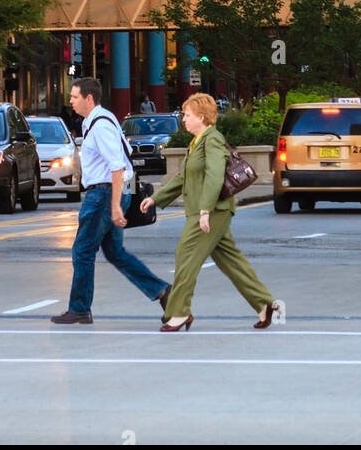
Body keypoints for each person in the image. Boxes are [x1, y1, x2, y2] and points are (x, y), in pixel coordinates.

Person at [141, 92, 281, 332]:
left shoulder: (212, 140)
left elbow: (215, 176)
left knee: (186, 258)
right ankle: (264, 303)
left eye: (187, 115)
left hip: (210, 211)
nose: (183, 119)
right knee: (231, 261)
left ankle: (179, 312)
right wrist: (155, 198)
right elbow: (184, 177)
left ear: (202, 117)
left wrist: (205, 210)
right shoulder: (197, 142)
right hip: (206, 210)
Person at [51, 77, 171, 325]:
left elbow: (116, 167)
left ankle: (80, 308)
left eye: (74, 97)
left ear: (89, 98)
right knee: (115, 252)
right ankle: (162, 291)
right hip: (109, 192)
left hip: (104, 194)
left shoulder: (101, 126)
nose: (70, 101)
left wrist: (115, 205)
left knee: (82, 250)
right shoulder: (98, 120)